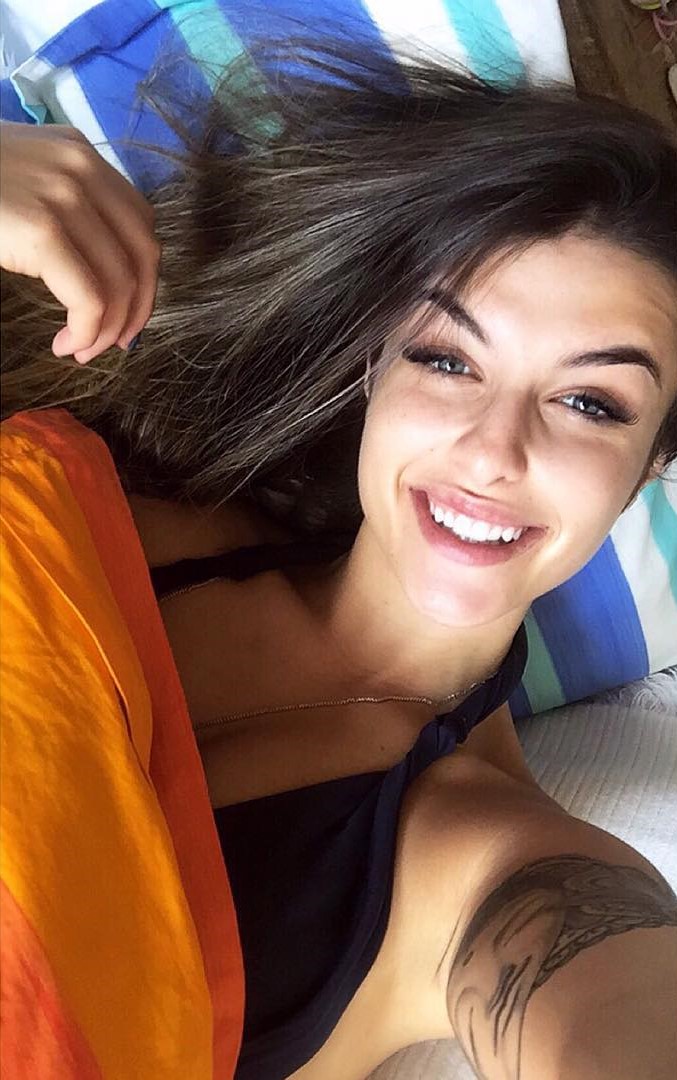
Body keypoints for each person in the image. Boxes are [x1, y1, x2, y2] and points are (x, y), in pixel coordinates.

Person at [2, 47, 677, 1080]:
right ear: (376, 367)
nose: (492, 452)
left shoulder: (481, 862)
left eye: (589, 403)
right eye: (446, 358)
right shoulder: (105, 492)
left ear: (651, 460)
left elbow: (616, 1005)